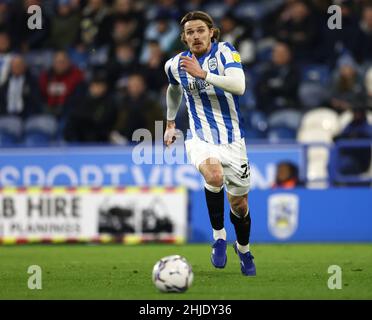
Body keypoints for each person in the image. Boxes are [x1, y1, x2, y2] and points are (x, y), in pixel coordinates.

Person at [163, 11, 255, 276]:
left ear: (212, 32)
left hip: (233, 141)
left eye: (200, 30)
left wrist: (202, 74)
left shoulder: (226, 52)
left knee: (240, 205)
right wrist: (170, 123)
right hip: (200, 137)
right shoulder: (175, 65)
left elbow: (239, 86)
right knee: (213, 175)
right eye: (190, 32)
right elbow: (173, 88)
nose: (196, 36)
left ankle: (244, 249)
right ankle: (218, 237)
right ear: (184, 38)